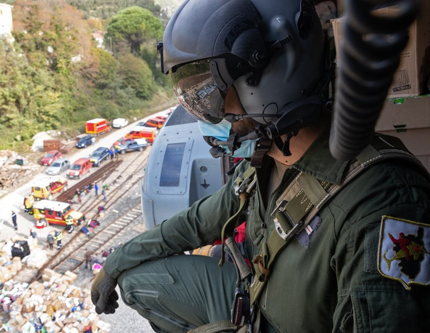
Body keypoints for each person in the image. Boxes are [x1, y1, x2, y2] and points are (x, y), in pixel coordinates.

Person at [90, 1, 430, 332]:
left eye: (210, 91)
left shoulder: (383, 204)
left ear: (267, 77)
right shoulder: (266, 160)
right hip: (252, 300)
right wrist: (116, 260)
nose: (207, 111)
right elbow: (196, 222)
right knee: (136, 280)